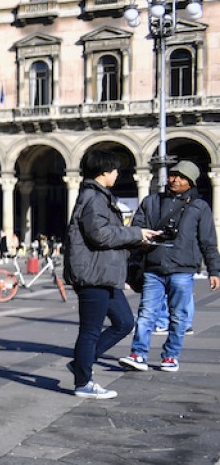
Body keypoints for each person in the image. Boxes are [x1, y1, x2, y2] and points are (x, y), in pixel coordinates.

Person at [63, 151, 158, 399]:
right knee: (90, 330)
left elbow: (108, 234)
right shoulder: (93, 197)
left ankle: (81, 363)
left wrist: (140, 239)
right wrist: (136, 234)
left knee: (125, 322)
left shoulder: (100, 197)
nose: (117, 175)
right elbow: (100, 235)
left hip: (105, 274)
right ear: (104, 172)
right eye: (115, 170)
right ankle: (83, 382)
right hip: (93, 275)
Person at [118, 160, 219, 373]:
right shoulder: (152, 201)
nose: (175, 180)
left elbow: (208, 241)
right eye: (173, 175)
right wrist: (142, 237)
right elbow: (137, 226)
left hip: (182, 268)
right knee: (146, 313)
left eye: (182, 177)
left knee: (179, 315)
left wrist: (214, 271)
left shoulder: (199, 207)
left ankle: (171, 356)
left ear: (190, 182)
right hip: (154, 266)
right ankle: (138, 354)